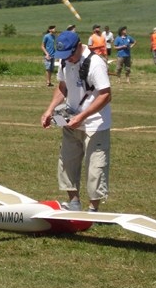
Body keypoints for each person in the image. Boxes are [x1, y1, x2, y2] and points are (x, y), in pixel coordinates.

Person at [40, 31, 112, 213]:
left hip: (95, 124)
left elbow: (105, 95)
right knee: (67, 161)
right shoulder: (65, 61)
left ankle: (93, 209)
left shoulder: (95, 63)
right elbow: (62, 87)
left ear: (79, 46)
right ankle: (73, 202)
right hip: (70, 121)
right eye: (64, 56)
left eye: (70, 55)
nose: (68, 59)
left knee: (96, 167)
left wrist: (82, 116)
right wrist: (49, 110)